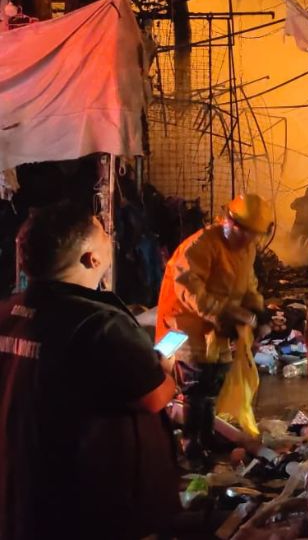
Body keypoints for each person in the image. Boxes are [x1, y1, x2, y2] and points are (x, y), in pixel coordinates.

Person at [0, 203, 179, 539]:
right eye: (104, 235)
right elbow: (154, 397)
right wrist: (164, 365)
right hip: (90, 506)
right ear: (91, 259)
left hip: (23, 495)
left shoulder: (8, 312)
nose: (110, 240)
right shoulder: (100, 324)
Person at [156, 193, 272, 465]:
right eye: (243, 231)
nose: (247, 238)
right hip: (179, 327)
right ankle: (191, 443)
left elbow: (247, 283)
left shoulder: (245, 248)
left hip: (211, 329)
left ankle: (205, 435)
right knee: (194, 387)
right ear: (228, 219)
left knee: (211, 382)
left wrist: (256, 308)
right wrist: (220, 313)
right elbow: (188, 289)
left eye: (253, 234)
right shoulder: (201, 245)